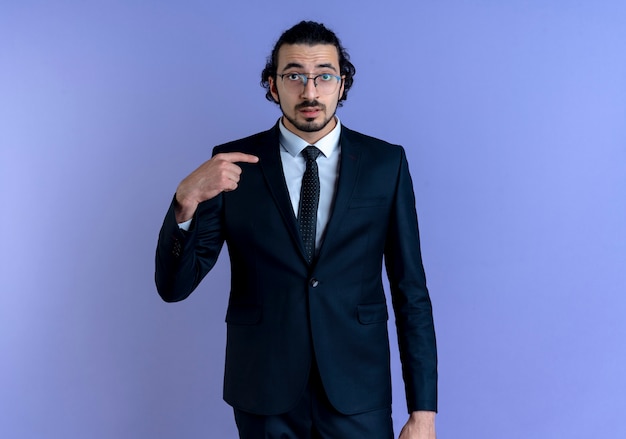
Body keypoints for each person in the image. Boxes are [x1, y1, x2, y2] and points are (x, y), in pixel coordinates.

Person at [155, 20, 437, 438]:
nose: (310, 92)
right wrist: (184, 200)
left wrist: (423, 411)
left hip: (357, 389)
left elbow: (410, 291)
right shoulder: (232, 166)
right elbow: (174, 287)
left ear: (342, 84)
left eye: (324, 76)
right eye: (294, 76)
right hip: (264, 391)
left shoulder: (385, 164)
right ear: (273, 85)